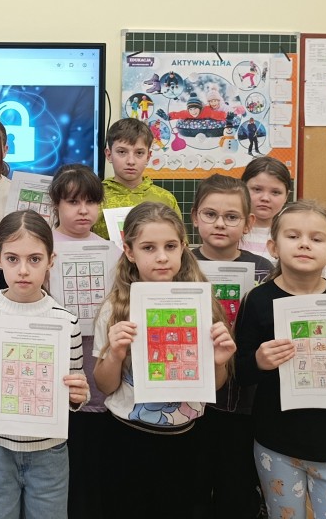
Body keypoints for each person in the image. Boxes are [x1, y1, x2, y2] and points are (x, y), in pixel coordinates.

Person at [234, 200, 326, 519]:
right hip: (276, 441)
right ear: (273, 247)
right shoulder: (257, 300)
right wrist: (258, 361)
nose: (304, 244)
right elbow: (240, 373)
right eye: (293, 236)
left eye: (316, 238)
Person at [93, 202, 236, 519]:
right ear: (129, 251)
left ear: (183, 247)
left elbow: (215, 384)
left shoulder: (201, 305)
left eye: (170, 246)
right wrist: (115, 354)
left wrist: (219, 362)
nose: (161, 257)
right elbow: (104, 386)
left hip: (187, 439)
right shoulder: (115, 309)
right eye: (148, 247)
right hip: (127, 437)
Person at [0, 210, 89, 519]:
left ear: (51, 260)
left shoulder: (66, 322)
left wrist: (78, 396)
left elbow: (75, 391)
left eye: (35, 259)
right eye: (13, 259)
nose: (23, 270)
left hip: (49, 450)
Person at [189, 175, 269, 518]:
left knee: (236, 488)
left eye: (231, 216)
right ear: (195, 217)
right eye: (210, 214)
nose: (220, 223)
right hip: (191, 402)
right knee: (193, 485)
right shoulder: (180, 265)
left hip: (243, 404)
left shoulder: (264, 271)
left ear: (248, 223)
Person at [47, 164, 107, 519]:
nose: (83, 210)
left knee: (93, 468)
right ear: (56, 204)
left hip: (95, 374)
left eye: (91, 202)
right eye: (73, 202)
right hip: (55, 375)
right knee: (60, 474)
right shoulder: (43, 248)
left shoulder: (111, 251)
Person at [91, 118, 181, 239]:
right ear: (109, 155)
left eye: (139, 153)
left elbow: (179, 243)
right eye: (122, 152)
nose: (131, 161)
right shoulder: (94, 198)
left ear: (148, 157)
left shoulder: (165, 199)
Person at [239, 157, 292, 265]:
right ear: (242, 189)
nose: (265, 198)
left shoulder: (294, 236)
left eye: (275, 192)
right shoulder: (228, 231)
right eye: (257, 189)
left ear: (286, 196)